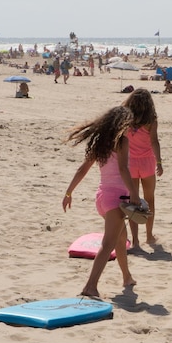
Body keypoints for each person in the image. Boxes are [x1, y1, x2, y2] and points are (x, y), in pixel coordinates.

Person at [62, 106, 141, 297]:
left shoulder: (100, 143)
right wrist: (134, 193)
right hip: (117, 199)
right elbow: (123, 169)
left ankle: (127, 277)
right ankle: (90, 286)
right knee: (108, 244)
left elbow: (83, 169)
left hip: (102, 198)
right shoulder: (121, 142)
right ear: (122, 124)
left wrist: (69, 192)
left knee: (121, 239)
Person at [122, 89, 163, 248]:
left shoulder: (126, 118)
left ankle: (135, 240)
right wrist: (159, 162)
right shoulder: (151, 119)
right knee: (150, 199)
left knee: (133, 201)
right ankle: (149, 236)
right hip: (147, 163)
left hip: (130, 163)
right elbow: (154, 142)